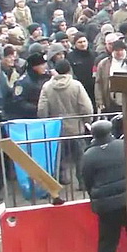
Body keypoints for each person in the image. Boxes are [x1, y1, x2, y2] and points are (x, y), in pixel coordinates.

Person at [81, 120, 126, 252]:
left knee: (107, 242)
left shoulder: (88, 155)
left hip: (105, 206)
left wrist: (95, 198)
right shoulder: (122, 146)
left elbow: (87, 180)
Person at [37, 59, 93, 187]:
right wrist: (87, 121)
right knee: (80, 156)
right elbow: (86, 107)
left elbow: (42, 109)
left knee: (58, 156)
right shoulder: (76, 85)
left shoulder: (47, 87)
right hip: (75, 128)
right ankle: (82, 182)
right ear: (69, 70)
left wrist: (46, 121)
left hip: (55, 128)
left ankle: (61, 179)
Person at [8, 52, 51, 119]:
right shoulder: (23, 82)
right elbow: (18, 102)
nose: (45, 67)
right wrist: (37, 108)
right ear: (34, 67)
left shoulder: (45, 77)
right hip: (30, 117)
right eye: (42, 65)